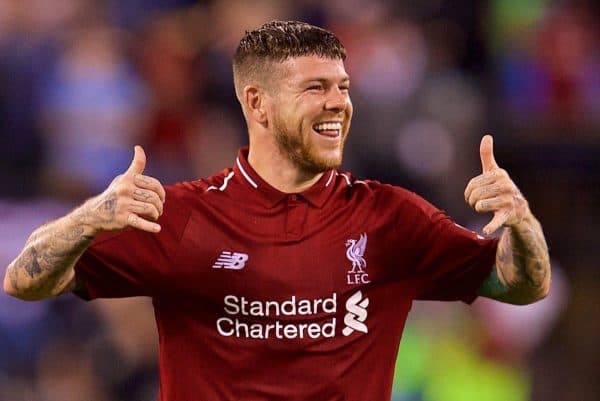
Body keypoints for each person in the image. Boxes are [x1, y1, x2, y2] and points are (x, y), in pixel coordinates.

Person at [3, 20, 550, 401]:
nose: (338, 102)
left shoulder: (390, 218)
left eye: (343, 87)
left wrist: (522, 224)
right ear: (257, 103)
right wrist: (87, 219)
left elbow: (520, 286)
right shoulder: (183, 216)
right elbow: (25, 282)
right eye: (315, 88)